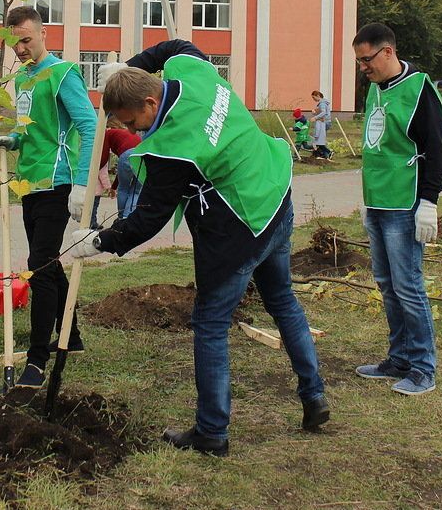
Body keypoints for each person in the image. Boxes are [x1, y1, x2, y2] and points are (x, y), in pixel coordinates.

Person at [71, 40, 328, 457]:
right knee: (283, 300)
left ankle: (212, 433)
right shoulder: (196, 73)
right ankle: (314, 396)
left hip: (240, 225)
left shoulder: (170, 148)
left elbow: (148, 220)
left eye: (132, 121)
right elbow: (175, 46)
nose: (133, 131)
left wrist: (98, 241)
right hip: (276, 196)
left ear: (151, 102)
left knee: (210, 324)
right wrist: (127, 69)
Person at [0, 7, 96, 388]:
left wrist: (83, 185)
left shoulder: (61, 74)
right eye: (15, 42)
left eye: (26, 39)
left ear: (43, 35)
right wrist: (15, 139)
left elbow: (88, 126)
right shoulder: (23, 78)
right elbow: (32, 128)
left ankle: (36, 362)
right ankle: (72, 335)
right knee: (49, 263)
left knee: (39, 266)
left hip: (58, 182)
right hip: (29, 183)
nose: (20, 48)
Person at [352, 23, 442, 396]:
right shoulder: (375, 90)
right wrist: (366, 199)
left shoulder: (419, 89)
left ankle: (424, 367)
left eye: (367, 60)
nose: (363, 68)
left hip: (405, 205)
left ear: (388, 51)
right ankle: (399, 358)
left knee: (408, 287)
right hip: (378, 202)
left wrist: (429, 201)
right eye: (359, 62)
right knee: (387, 286)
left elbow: (437, 151)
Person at [309, 90, 333, 160]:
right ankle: (325, 155)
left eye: (314, 98)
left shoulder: (322, 104)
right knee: (320, 139)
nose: (313, 99)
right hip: (324, 122)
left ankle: (328, 153)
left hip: (324, 123)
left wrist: (315, 118)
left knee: (319, 139)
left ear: (318, 96)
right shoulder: (323, 103)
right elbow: (321, 112)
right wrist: (315, 112)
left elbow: (323, 113)